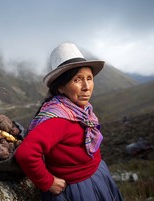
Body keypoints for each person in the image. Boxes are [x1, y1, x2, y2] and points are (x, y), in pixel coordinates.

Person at [15, 42, 123, 201]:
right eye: (77, 80)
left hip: (98, 176)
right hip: (79, 190)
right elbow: (26, 153)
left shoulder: (81, 110)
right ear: (61, 88)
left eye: (89, 78)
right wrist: (48, 182)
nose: (86, 87)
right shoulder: (59, 119)